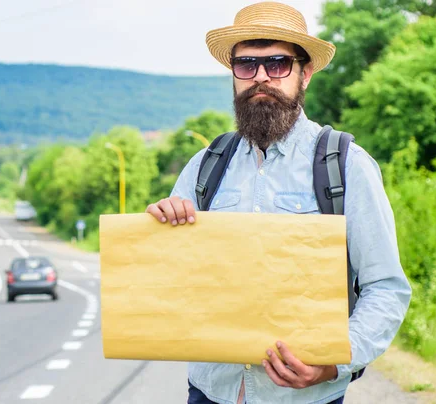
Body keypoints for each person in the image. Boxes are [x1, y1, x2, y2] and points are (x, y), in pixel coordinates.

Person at [145, 2, 412, 403]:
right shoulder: (204, 167)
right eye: (247, 64)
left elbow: (385, 288)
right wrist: (160, 234)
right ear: (233, 73)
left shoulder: (345, 166)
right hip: (210, 392)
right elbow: (172, 283)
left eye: (277, 64)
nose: (261, 78)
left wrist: (333, 363)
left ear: (305, 73)